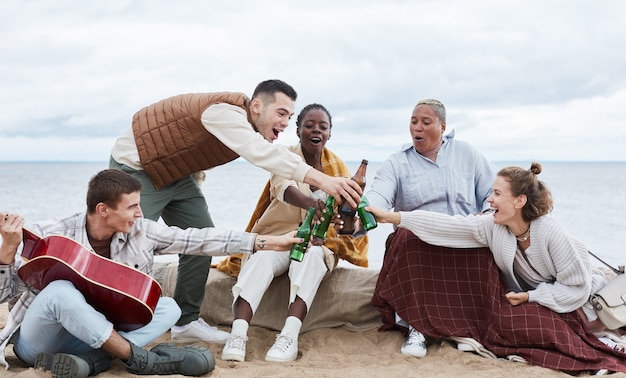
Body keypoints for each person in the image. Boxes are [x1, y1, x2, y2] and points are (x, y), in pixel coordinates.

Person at [109, 79, 362, 345]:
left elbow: (192, 144)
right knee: (128, 246)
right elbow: (260, 153)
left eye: (289, 116)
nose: (286, 122)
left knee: (201, 240)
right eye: (281, 113)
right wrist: (322, 181)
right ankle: (113, 325)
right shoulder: (225, 113)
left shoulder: (243, 123)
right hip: (138, 168)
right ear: (256, 106)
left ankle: (186, 322)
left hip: (176, 176)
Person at [0, 169, 303, 378]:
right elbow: (4, 294)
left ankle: (94, 361)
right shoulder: (51, 234)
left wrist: (264, 242)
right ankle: (139, 360)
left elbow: (200, 239)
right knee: (60, 291)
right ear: (103, 209)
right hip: (39, 343)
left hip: (93, 341)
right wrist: (7, 251)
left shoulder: (141, 232)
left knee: (168, 307)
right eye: (132, 207)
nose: (140, 214)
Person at [368, 163, 626, 373]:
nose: (489, 200)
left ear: (519, 201)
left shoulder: (549, 231)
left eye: (497, 194)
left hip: (581, 303)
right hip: (545, 299)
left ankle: (600, 339)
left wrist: (531, 296)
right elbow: (449, 225)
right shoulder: (494, 228)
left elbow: (576, 287)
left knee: (545, 328)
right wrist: (393, 217)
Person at [220, 104, 369, 362]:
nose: (316, 130)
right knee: (263, 258)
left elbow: (353, 219)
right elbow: (283, 188)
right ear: (298, 130)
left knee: (310, 257)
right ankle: (238, 335)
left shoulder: (338, 168)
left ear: (329, 134)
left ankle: (288, 336)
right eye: (309, 125)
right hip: (279, 237)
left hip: (319, 245)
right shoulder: (283, 156)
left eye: (323, 127)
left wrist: (348, 226)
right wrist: (312, 203)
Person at [362, 98, 496, 357]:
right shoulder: (396, 163)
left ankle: (468, 329)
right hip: (418, 238)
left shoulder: (467, 153)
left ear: (442, 126)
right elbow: (378, 196)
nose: (417, 128)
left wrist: (487, 214)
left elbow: (493, 193)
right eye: (413, 122)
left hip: (460, 235)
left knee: (486, 242)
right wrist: (362, 212)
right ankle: (416, 327)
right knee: (406, 236)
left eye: (425, 122)